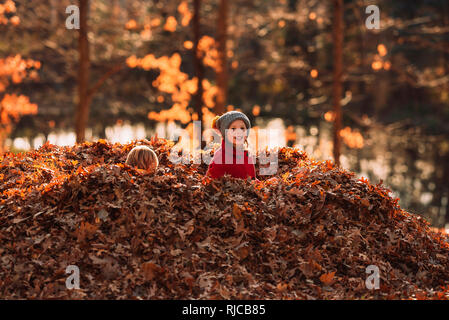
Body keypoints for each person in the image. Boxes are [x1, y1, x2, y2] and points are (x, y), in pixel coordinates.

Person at [206, 111, 256, 179]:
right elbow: (211, 181)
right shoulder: (220, 158)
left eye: (242, 128)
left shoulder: (247, 155)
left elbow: (252, 180)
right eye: (233, 129)